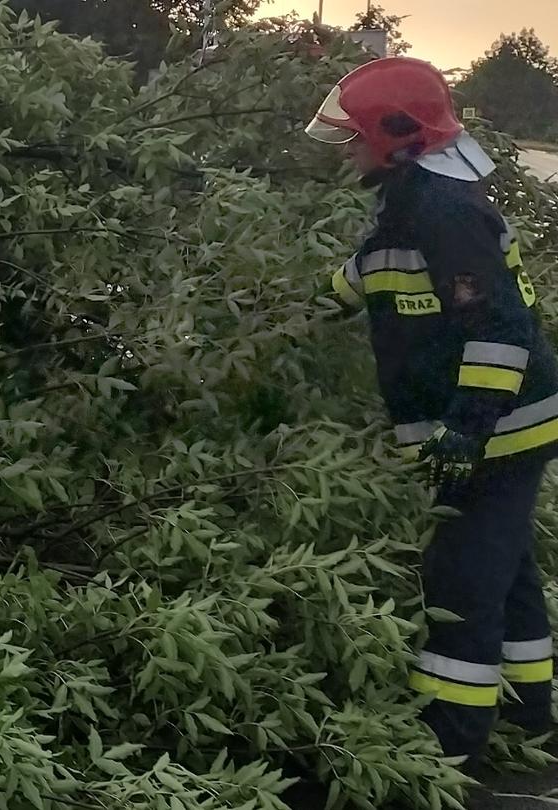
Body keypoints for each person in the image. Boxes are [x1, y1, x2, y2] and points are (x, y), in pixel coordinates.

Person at [310, 57, 557, 763]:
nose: (349, 147)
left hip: (499, 433)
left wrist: (465, 431)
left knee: (459, 585)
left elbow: (501, 329)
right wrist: (288, 308)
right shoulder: (411, 202)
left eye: (356, 133)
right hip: (498, 430)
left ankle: (449, 749)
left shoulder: (444, 210)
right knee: (505, 576)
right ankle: (529, 718)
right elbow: (372, 273)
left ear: (397, 134)